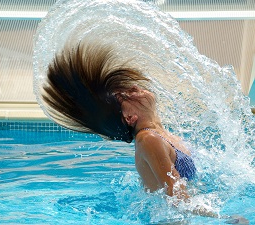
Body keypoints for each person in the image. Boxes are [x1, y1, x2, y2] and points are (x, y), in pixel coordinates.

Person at [42, 41, 196, 200]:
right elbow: (177, 196)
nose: (135, 88)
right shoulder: (148, 140)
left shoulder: (159, 135)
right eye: (126, 95)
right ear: (129, 118)